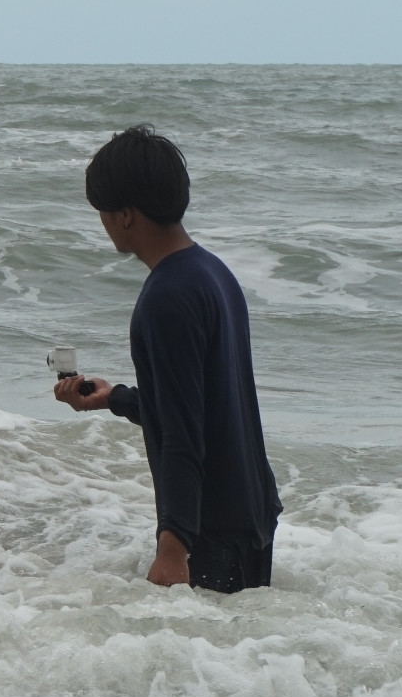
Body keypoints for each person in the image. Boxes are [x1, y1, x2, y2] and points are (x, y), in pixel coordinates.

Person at [53, 126, 281, 592]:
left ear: (126, 215)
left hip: (210, 529)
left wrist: (172, 548)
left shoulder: (165, 299)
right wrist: (115, 398)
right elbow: (200, 405)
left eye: (102, 212)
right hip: (252, 510)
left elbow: (182, 435)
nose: (102, 223)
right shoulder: (213, 272)